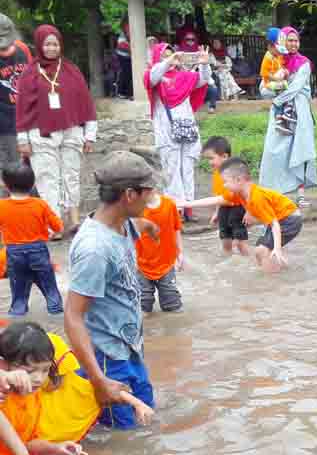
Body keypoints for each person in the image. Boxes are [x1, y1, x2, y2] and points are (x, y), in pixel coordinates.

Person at [65, 151, 158, 430]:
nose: (151, 200)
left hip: (128, 349)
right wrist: (98, 380)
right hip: (106, 359)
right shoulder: (95, 249)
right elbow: (72, 316)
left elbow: (137, 223)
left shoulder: (123, 222)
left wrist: (149, 226)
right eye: (147, 193)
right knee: (122, 436)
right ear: (129, 194)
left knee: (148, 422)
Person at [16, 25, 97, 235]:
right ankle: (53, 226)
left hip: (71, 131)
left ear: (60, 45)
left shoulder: (71, 70)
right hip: (40, 134)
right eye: (47, 44)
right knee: (47, 179)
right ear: (39, 45)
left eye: (55, 44)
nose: (51, 48)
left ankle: (74, 221)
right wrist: (22, 139)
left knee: (71, 175)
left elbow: (86, 104)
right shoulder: (29, 73)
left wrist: (90, 134)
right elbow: (22, 107)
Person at [0, 323, 89, 455]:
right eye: (30, 371)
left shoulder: (33, 396)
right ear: (4, 364)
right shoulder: (3, 393)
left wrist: (56, 447)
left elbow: (27, 443)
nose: (39, 379)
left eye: (45, 369)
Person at [144, 42, 211, 222]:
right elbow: (153, 76)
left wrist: (204, 63)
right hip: (166, 131)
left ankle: (188, 207)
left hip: (187, 128)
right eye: (164, 55)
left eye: (172, 55)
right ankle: (176, 209)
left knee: (187, 168)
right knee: (171, 170)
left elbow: (203, 80)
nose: (170, 59)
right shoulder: (154, 76)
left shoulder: (185, 76)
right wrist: (168, 62)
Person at [259, 26, 317, 208]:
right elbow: (263, 89)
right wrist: (274, 91)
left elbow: (295, 88)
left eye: (296, 40)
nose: (293, 44)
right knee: (275, 151)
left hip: (299, 111)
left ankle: (300, 194)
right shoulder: (275, 61)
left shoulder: (304, 63)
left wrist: (277, 100)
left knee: (300, 150)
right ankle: (275, 192)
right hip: (279, 114)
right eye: (289, 40)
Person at [0, 163, 63, 315]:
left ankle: (18, 309)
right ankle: (55, 308)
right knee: (48, 282)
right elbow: (58, 227)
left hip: (14, 252)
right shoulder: (40, 205)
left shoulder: (1, 206)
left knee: (18, 284)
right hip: (38, 250)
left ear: (5, 185)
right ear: (33, 184)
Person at [221, 157, 302, 274]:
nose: (224, 185)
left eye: (225, 181)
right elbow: (218, 199)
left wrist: (277, 248)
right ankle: (281, 270)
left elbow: (274, 224)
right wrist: (187, 203)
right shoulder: (242, 192)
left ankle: (272, 280)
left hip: (290, 219)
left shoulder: (256, 197)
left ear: (238, 180)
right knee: (259, 251)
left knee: (262, 250)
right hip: (283, 218)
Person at [134, 191, 184, 313]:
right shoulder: (133, 208)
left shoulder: (169, 204)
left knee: (172, 304)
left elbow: (176, 229)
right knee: (142, 305)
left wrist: (180, 253)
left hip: (166, 262)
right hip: (140, 264)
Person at [201, 136, 249, 257]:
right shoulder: (216, 173)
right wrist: (216, 212)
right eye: (208, 159)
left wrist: (249, 212)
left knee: (240, 241)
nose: (209, 162)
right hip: (224, 209)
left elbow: (247, 193)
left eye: (211, 158)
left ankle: (250, 260)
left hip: (238, 209)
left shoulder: (235, 172)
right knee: (225, 238)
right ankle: (228, 259)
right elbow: (218, 195)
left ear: (224, 156)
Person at [0, 15, 32, 173]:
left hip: (27, 119)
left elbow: (33, 79)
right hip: (4, 123)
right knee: (9, 170)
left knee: (28, 168)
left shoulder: (23, 49)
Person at [260, 27, 287, 99]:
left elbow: (282, 67)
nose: (280, 52)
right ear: (269, 46)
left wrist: (285, 72)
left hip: (278, 82)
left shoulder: (279, 55)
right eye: (278, 50)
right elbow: (264, 73)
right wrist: (276, 79)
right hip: (268, 84)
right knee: (266, 93)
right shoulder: (268, 57)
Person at [114, 21, 133, 99]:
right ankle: (121, 92)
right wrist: (132, 48)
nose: (128, 28)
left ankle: (127, 93)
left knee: (128, 75)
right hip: (123, 57)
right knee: (125, 74)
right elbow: (123, 45)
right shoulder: (122, 36)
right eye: (127, 27)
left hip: (128, 57)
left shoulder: (129, 35)